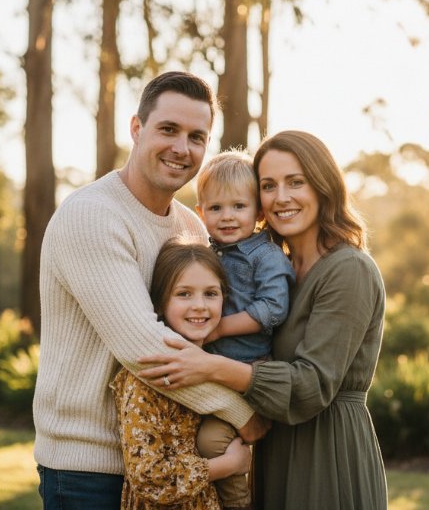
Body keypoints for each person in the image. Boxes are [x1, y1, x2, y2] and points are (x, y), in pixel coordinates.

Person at [33, 71, 267, 510]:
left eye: (197, 136)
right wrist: (244, 414)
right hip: (89, 468)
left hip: (174, 461)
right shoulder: (92, 216)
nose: (182, 148)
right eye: (168, 129)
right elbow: (145, 350)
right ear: (137, 129)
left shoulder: (191, 227)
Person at [138, 130, 388, 509]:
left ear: (323, 186)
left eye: (296, 182)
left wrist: (211, 366)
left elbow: (312, 385)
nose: (281, 197)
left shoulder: (348, 269)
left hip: (327, 451)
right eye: (269, 185)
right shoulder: (279, 265)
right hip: (276, 444)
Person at [112, 240, 252, 509]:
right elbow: (148, 476)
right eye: (184, 294)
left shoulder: (219, 366)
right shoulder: (149, 377)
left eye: (211, 293)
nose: (199, 305)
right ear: (161, 304)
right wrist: (228, 465)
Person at [192, 151, 295, 510]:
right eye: (216, 208)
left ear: (260, 213)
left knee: (211, 443)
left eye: (239, 206)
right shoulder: (206, 254)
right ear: (200, 212)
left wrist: (219, 330)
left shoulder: (264, 257)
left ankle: (237, 505)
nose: (228, 217)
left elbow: (272, 308)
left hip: (246, 375)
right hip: (210, 375)